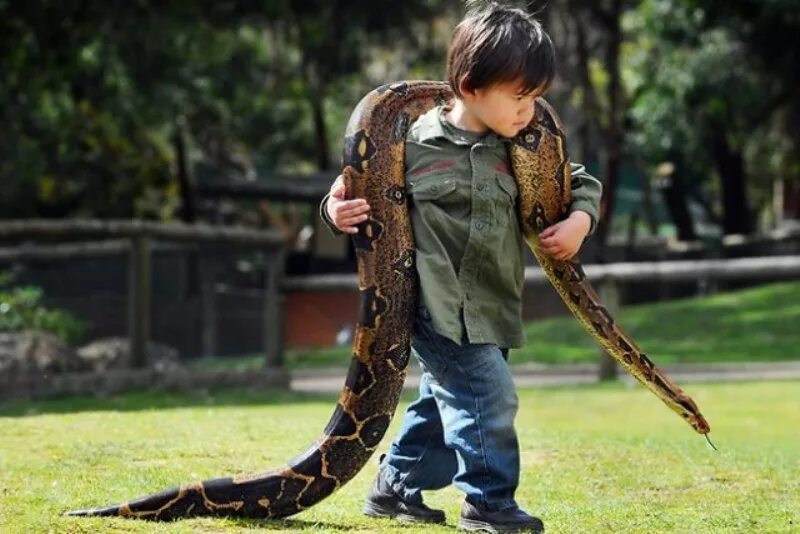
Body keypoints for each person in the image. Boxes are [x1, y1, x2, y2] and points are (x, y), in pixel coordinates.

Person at [319, 3, 602, 532]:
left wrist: (580, 221)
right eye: (520, 97)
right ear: (471, 87)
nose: (530, 111)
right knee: (488, 396)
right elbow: (344, 195)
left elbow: (577, 183)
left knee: (444, 403)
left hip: (493, 301)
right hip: (435, 304)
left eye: (537, 97)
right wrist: (335, 212)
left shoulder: (523, 148)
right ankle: (489, 502)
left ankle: (396, 484)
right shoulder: (406, 145)